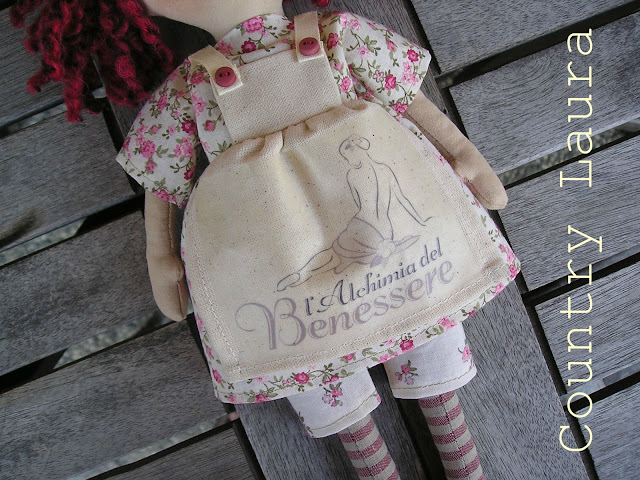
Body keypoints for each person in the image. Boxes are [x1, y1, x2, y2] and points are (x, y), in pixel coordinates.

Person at [12, 2, 520, 479]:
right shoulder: (191, 87)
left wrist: (461, 152)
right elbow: (161, 185)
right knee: (309, 357)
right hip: (274, 245)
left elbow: (408, 100)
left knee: (421, 319)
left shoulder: (332, 35)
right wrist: (160, 254)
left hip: (371, 229)